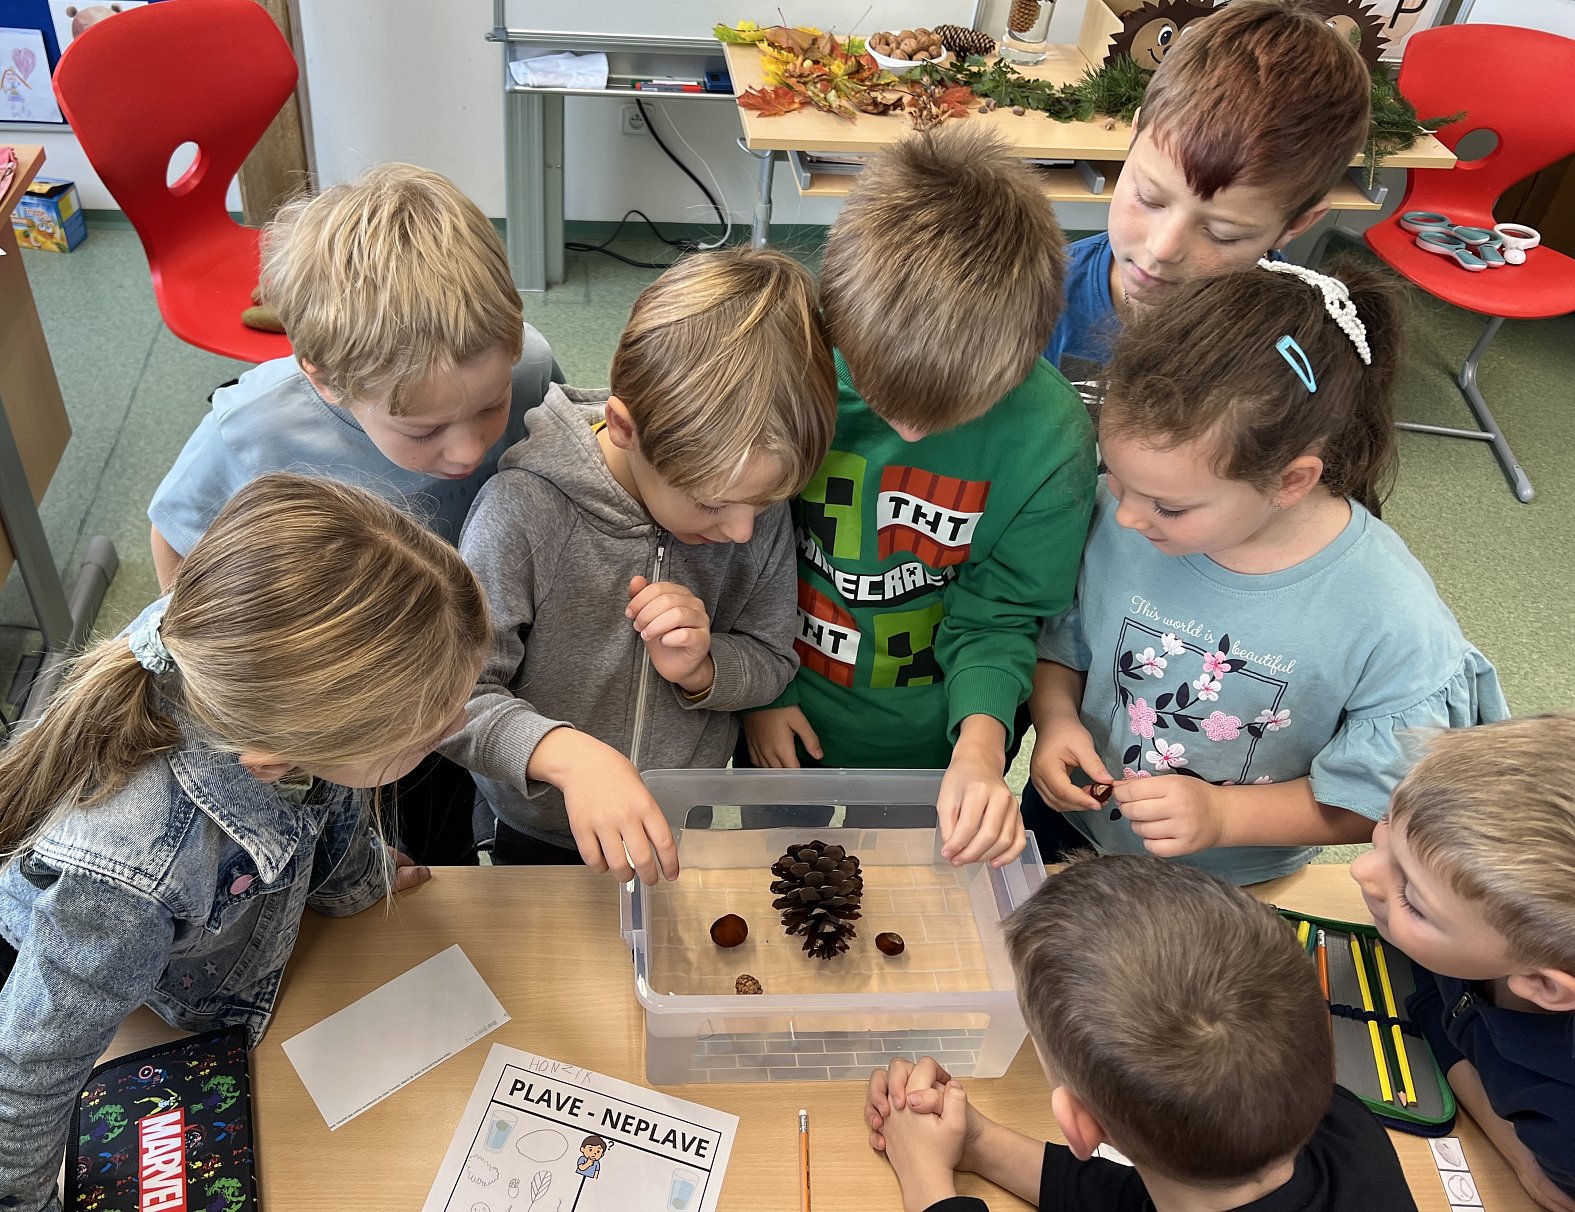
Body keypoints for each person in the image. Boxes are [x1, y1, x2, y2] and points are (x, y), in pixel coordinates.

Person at [0, 473, 491, 1212]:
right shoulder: (127, 884)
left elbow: (329, 793)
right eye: (428, 733)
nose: (459, 726)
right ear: (273, 758)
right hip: (116, 998)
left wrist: (358, 879)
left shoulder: (253, 664)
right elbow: (25, 1079)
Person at [1025, 260, 1507, 885]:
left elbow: (1378, 799)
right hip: (1070, 827)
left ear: (1291, 481)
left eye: (1169, 506)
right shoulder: (1118, 519)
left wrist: (1223, 816)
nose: (1126, 516)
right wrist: (1056, 721)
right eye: (1116, 477)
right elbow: (1061, 645)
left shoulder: (1389, 616)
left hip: (1236, 878)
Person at [741, 125, 1097, 869]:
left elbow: (1001, 615)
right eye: (881, 398)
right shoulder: (787, 372)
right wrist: (762, 694)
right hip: (776, 705)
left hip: (940, 741)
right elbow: (737, 554)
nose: (908, 431)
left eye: (948, 415)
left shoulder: (1049, 439)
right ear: (838, 320)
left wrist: (980, 746)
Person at [442, 248, 838, 883]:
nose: (742, 531)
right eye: (713, 503)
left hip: (679, 821)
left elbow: (771, 657)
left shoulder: (750, 508)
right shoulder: (522, 512)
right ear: (625, 428)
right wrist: (568, 758)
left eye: (766, 504)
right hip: (540, 828)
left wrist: (704, 669)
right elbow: (451, 698)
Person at [864, 854, 1416, 1212]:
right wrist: (980, 1144)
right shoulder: (1347, 1129)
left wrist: (927, 1185)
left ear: (1080, 1127)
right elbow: (1148, 1197)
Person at [147, 162, 561, 584]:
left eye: (492, 406)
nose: (467, 453)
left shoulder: (529, 367)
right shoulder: (251, 432)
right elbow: (175, 536)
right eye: (423, 431)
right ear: (325, 381)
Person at [1045, 0, 1371, 373]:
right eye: (1149, 197)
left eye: (1222, 234)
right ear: (1134, 137)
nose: (1162, 249)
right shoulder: (1043, 295)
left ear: (1296, 224)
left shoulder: (1289, 343)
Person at [1352, 716, 1575, 1210]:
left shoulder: (1565, 1127)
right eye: (1388, 822)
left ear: (1543, 984)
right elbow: (1434, 993)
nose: (1360, 869)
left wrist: (1522, 1155)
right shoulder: (1478, 947)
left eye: (1412, 898)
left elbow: (1551, 1187)